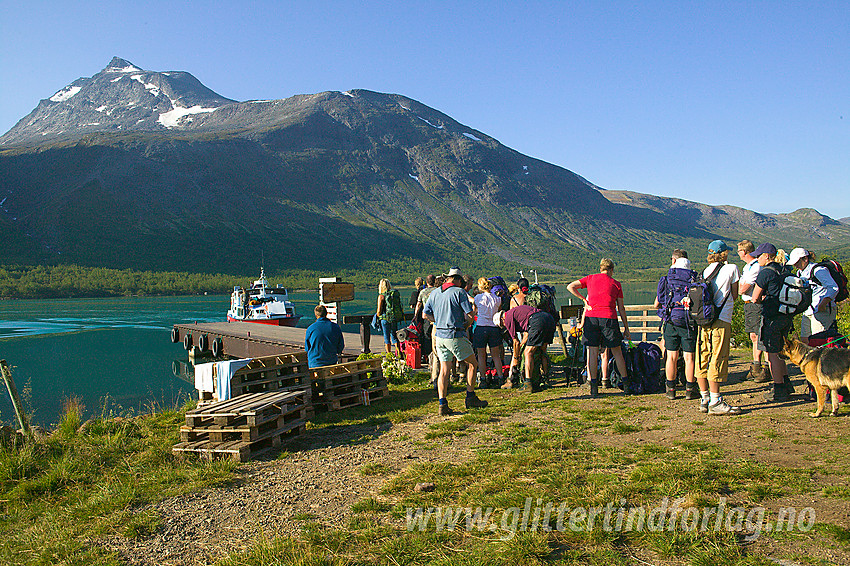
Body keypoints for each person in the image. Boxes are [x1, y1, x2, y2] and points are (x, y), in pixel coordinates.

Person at [423, 267, 488, 415]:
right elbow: (470, 315)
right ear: (458, 280)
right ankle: (470, 397)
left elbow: (425, 314)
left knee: (444, 370)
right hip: (455, 334)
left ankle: (442, 404)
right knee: (472, 364)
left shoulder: (435, 293)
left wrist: (438, 321)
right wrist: (467, 324)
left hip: (440, 336)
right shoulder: (459, 292)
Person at [567, 258, 631, 398]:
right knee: (617, 352)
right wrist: (626, 328)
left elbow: (570, 286)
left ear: (600, 268)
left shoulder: (590, 279)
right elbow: (621, 308)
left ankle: (594, 387)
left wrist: (584, 300)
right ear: (612, 270)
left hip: (591, 318)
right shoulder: (616, 284)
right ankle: (626, 385)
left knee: (592, 352)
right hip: (609, 318)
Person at [694, 240, 741, 415]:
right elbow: (735, 294)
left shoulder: (704, 272)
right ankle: (716, 401)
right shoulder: (732, 269)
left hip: (703, 320)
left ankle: (704, 398)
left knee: (702, 356)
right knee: (718, 356)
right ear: (724, 253)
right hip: (721, 318)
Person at [750, 243, 794, 402]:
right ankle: (786, 383)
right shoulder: (784, 269)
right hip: (785, 315)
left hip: (772, 316)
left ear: (767, 256)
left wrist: (762, 299)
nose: (757, 259)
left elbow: (755, 298)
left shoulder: (766, 273)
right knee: (781, 350)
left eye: (759, 256)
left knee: (772, 352)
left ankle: (779, 388)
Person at [653, 249, 699, 400]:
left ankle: (670, 389)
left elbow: (657, 304)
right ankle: (690, 389)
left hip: (671, 320)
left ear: (673, 261)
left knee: (671, 356)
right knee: (689, 357)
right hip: (688, 321)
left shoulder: (666, 279)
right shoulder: (694, 278)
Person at [494, 304, 555, 392]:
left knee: (528, 353)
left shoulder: (507, 318)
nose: (505, 326)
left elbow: (516, 341)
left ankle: (528, 383)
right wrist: (521, 347)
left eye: (502, 325)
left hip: (537, 321)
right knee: (542, 351)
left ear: (502, 319)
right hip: (548, 318)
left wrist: (516, 358)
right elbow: (526, 334)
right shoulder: (517, 313)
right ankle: (546, 379)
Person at [789, 248, 840, 345]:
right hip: (809, 310)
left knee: (819, 341)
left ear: (805, 259)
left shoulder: (819, 270)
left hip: (822, 310)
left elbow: (833, 287)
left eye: (797, 262)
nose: (795, 265)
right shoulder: (800, 272)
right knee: (805, 340)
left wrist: (823, 303)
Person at [737, 240, 769, 382]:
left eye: (739, 251)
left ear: (744, 252)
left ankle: (765, 368)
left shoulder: (755, 267)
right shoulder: (747, 267)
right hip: (749, 303)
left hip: (755, 303)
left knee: (759, 335)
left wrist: (740, 288)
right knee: (754, 336)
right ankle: (756, 365)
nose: (738, 253)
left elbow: (743, 288)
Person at [473, 277, 504, 388]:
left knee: (481, 355)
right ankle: (500, 377)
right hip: (493, 327)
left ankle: (483, 379)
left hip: (481, 326)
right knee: (496, 355)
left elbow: (475, 310)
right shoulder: (497, 298)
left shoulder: (478, 297)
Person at [304, 305, 344, 369]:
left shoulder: (310, 328)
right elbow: (340, 346)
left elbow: (307, 348)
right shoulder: (335, 327)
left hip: (315, 363)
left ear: (316, 315)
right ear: (326, 314)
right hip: (331, 362)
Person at [376, 279, 403, 356]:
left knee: (386, 337)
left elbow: (379, 311)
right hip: (393, 318)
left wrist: (377, 317)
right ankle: (399, 353)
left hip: (385, 319)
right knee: (394, 336)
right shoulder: (392, 295)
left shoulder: (381, 296)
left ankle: (389, 355)